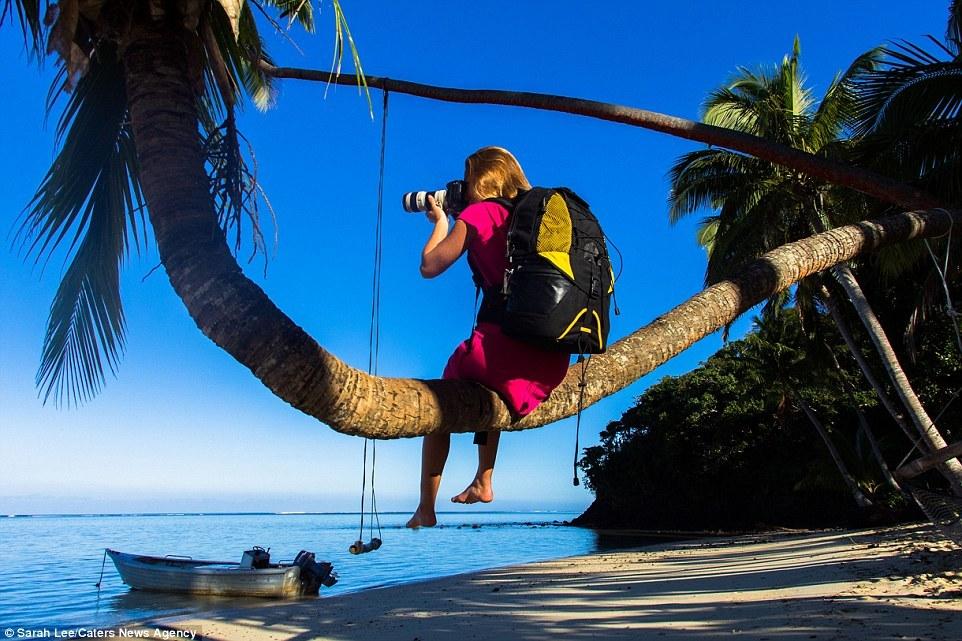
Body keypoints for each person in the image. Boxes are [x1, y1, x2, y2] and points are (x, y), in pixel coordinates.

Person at [406, 147, 570, 529]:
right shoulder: (533, 221)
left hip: (503, 354)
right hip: (549, 357)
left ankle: (425, 510)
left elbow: (429, 266)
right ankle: (484, 478)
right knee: (487, 382)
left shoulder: (479, 213)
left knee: (445, 392)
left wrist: (441, 224)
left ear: (479, 180)